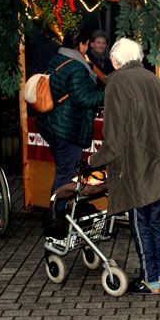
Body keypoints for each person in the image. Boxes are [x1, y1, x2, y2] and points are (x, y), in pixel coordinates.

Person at [89, 38, 160, 294]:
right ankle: (157, 274)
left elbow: (113, 138)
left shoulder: (117, 82)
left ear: (115, 60)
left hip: (137, 169)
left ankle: (149, 280)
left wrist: (94, 160)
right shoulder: (153, 79)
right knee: (156, 223)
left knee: (140, 223)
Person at [37, 29, 104, 236]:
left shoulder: (58, 59)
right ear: (82, 45)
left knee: (64, 169)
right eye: (87, 44)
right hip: (66, 128)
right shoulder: (76, 66)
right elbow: (82, 98)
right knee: (66, 172)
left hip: (53, 124)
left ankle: (59, 213)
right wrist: (107, 93)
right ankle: (56, 219)